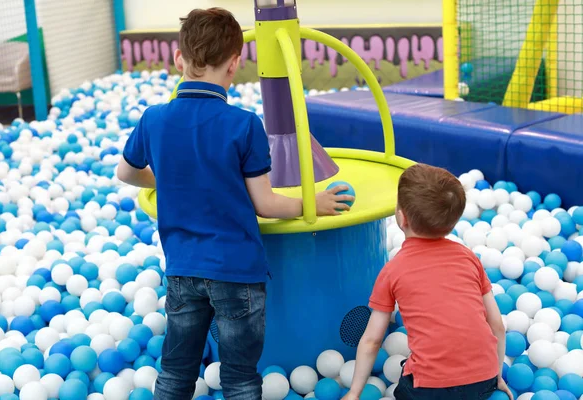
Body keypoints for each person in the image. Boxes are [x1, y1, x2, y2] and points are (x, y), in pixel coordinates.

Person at [116, 7, 353, 400]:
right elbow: (266, 203)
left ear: (179, 59)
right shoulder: (243, 124)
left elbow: (126, 172)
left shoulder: (153, 118)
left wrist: (165, 181)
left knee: (175, 374)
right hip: (236, 273)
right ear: (234, 65)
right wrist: (314, 202)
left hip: (183, 270)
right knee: (241, 379)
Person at [342, 164, 512, 400]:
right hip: (481, 382)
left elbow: (372, 340)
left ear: (401, 218)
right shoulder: (469, 258)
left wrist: (354, 392)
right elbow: (497, 326)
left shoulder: (393, 270)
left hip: (429, 390)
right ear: (453, 222)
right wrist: (497, 376)